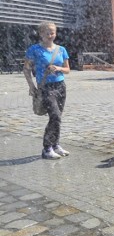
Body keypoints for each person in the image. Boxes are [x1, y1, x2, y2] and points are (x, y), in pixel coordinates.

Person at [23, 21, 71, 160]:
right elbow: (26, 69)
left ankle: (55, 145)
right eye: (47, 32)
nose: (50, 35)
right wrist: (31, 86)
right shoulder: (34, 50)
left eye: (53, 32)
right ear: (41, 34)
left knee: (57, 118)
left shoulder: (61, 50)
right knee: (55, 116)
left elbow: (68, 70)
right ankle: (47, 148)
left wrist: (59, 69)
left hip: (61, 86)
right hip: (46, 88)